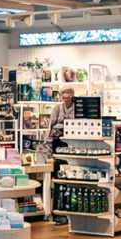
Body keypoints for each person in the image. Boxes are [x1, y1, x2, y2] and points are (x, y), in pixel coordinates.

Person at [47, 87, 77, 225]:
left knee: (70, 175)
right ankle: (58, 212)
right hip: (58, 144)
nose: (65, 100)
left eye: (68, 98)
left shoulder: (78, 108)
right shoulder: (57, 109)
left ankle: (68, 210)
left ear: (72, 97)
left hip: (73, 144)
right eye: (63, 98)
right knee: (58, 175)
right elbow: (50, 128)